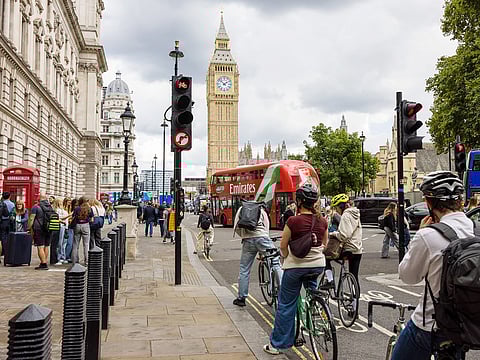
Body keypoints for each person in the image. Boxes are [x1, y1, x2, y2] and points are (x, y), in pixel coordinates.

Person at [391, 171, 469, 360]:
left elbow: (408, 276)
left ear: (428, 203)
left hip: (430, 326)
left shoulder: (428, 235)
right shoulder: (474, 229)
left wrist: (420, 235)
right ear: (460, 201)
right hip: (466, 324)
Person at [263, 184, 327, 355]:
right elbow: (324, 244)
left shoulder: (293, 221)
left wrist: (285, 256)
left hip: (296, 267)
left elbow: (283, 246)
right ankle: (316, 314)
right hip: (318, 265)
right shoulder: (323, 221)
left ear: (299, 201)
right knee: (311, 290)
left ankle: (277, 345)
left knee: (286, 305)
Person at [233, 201, 281, 307]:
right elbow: (266, 228)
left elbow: (236, 226)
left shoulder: (241, 210)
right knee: (275, 263)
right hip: (263, 238)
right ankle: (282, 291)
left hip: (247, 241)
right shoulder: (262, 210)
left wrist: (244, 235)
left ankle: (241, 298)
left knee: (244, 269)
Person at [326, 193, 363, 289]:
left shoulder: (346, 215)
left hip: (348, 249)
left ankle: (330, 281)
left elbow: (344, 235)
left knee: (325, 258)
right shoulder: (356, 214)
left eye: (337, 208)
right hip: (358, 250)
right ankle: (355, 301)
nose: (337, 211)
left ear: (341, 206)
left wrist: (333, 234)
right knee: (354, 276)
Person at [29, 193, 53, 270]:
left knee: (40, 246)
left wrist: (29, 228)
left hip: (39, 228)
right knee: (46, 246)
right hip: (49, 228)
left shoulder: (36, 207)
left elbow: (31, 219)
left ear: (39, 198)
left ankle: (43, 264)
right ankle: (44, 262)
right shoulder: (50, 207)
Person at [71, 196, 93, 265]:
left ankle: (75, 261)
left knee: (75, 244)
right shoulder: (89, 208)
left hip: (77, 225)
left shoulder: (77, 208)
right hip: (86, 225)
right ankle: (86, 261)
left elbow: (73, 217)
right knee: (86, 244)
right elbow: (92, 218)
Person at [0, 192, 15, 260]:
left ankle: (2, 253)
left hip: (1, 221)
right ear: (9, 196)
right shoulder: (12, 204)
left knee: (2, 238)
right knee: (6, 237)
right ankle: (7, 252)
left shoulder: (1, 203)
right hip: (8, 222)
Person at [54, 198, 69, 265]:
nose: (61, 203)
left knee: (62, 244)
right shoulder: (60, 210)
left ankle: (62, 257)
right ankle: (61, 257)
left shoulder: (60, 210)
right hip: (62, 227)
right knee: (61, 244)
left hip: (63, 227)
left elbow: (60, 219)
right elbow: (60, 219)